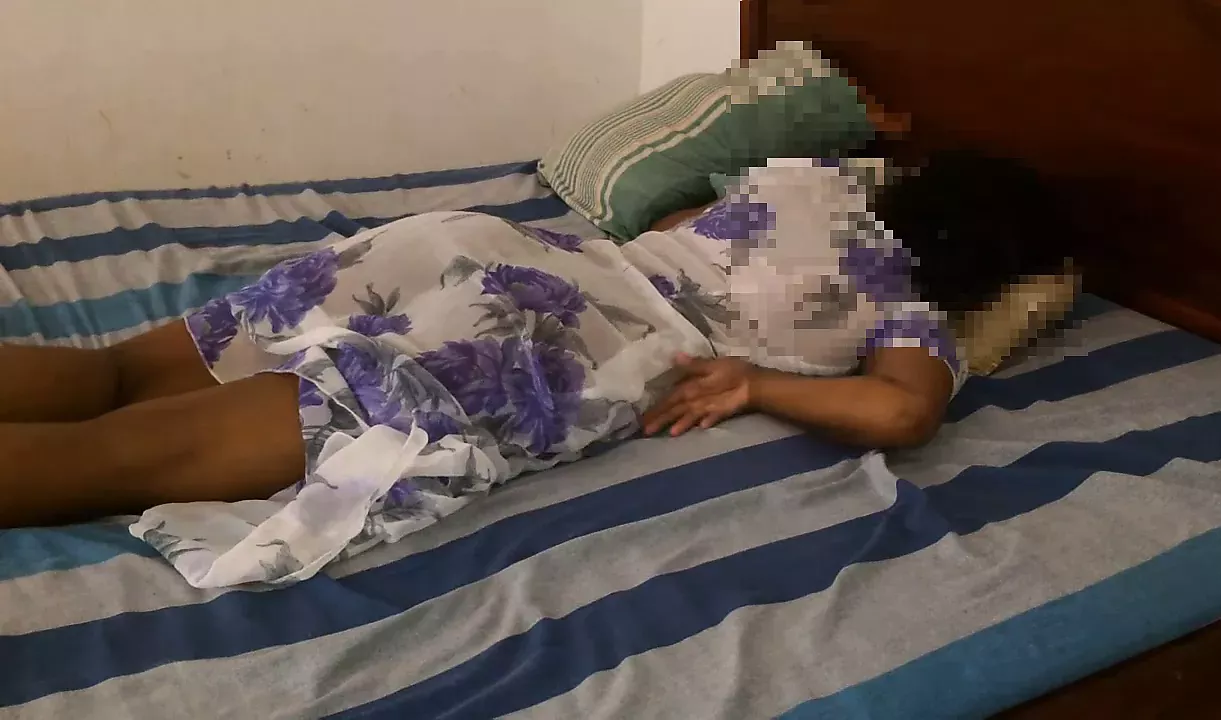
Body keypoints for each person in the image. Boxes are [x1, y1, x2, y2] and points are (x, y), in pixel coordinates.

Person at [0, 149, 1070, 587]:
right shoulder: (910, 306)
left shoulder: (804, 179)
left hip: (491, 248)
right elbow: (900, 413)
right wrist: (758, 382)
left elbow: (669, 230)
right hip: (557, 331)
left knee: (111, 380)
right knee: (121, 459)